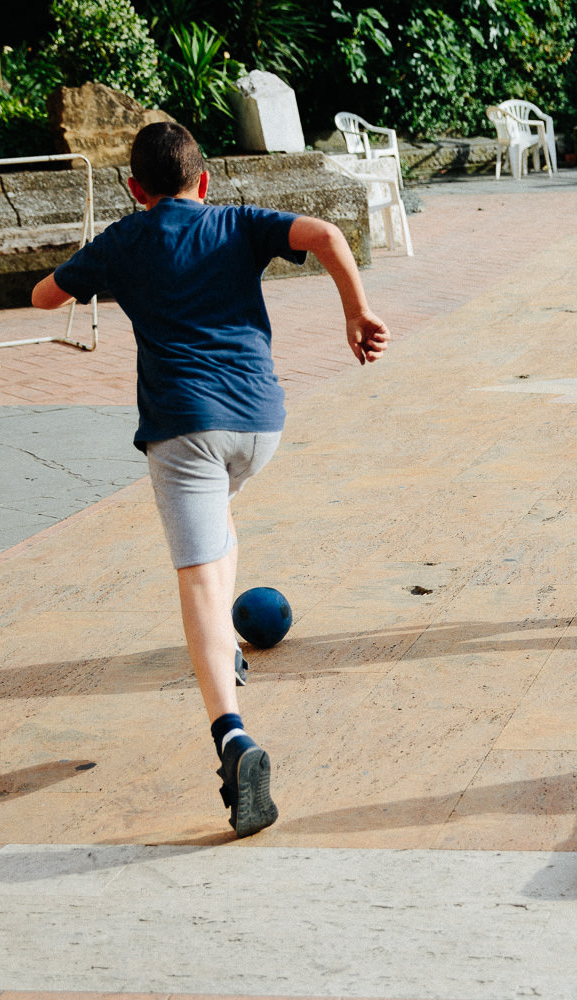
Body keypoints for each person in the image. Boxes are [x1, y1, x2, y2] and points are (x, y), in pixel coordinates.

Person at [31, 122, 389, 837]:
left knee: (197, 578)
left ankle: (233, 738)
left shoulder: (124, 240)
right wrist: (356, 310)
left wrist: (97, 270)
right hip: (261, 423)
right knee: (221, 519)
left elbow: (44, 297)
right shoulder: (237, 221)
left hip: (184, 426)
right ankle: (229, 655)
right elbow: (324, 234)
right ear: (205, 179)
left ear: (136, 189)